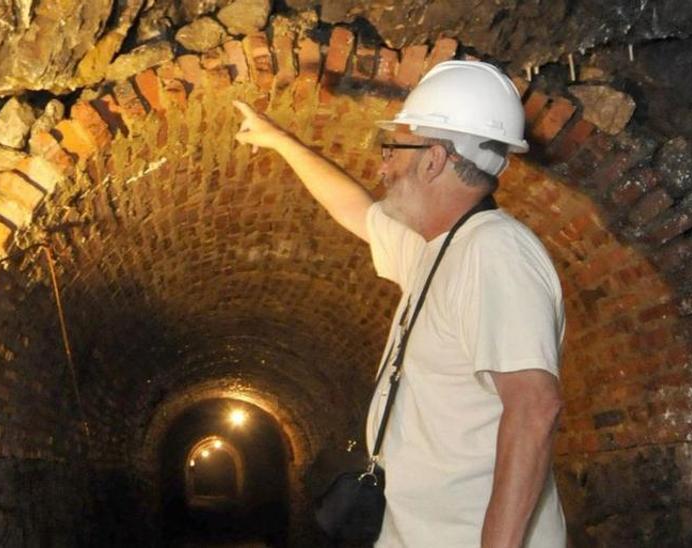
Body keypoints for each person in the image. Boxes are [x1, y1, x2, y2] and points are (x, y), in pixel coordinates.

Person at [233, 60, 566, 548]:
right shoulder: (438, 248)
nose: (383, 166)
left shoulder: (495, 253)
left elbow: (535, 407)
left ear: (433, 159)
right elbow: (357, 211)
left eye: (393, 150)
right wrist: (282, 142)